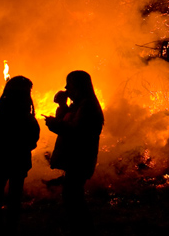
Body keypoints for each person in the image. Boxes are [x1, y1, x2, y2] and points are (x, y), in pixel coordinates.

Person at [45, 70, 104, 232]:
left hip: (79, 158)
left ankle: (83, 231)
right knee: (71, 197)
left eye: (69, 84)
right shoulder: (79, 104)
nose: (65, 87)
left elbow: (77, 132)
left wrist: (54, 124)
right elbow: (67, 122)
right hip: (75, 159)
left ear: (78, 86)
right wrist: (62, 105)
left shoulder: (87, 106)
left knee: (73, 199)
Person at [0, 75, 40, 229]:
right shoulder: (27, 117)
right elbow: (33, 141)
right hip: (20, 162)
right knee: (15, 198)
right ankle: (11, 227)